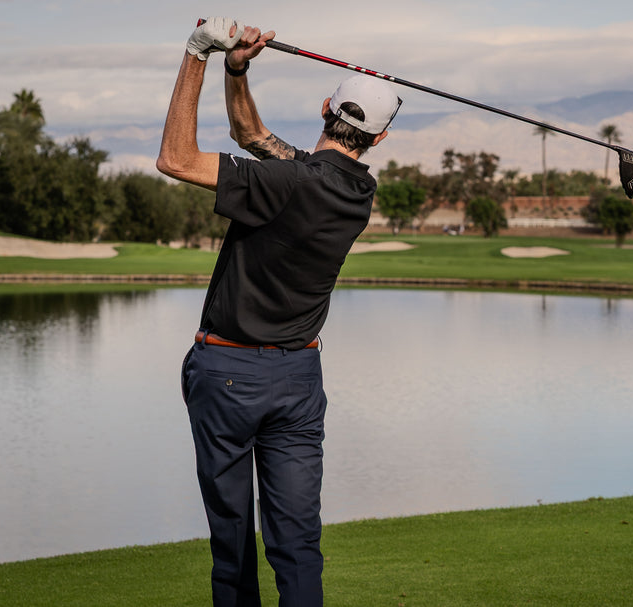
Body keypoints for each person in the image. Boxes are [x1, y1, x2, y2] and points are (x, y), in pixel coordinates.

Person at [156, 17, 401, 607]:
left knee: (233, 540)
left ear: (324, 106)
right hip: (298, 381)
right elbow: (252, 134)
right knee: (297, 544)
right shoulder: (356, 192)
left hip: (229, 375)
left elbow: (175, 158)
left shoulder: (285, 181)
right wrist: (237, 69)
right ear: (379, 141)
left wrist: (198, 54)